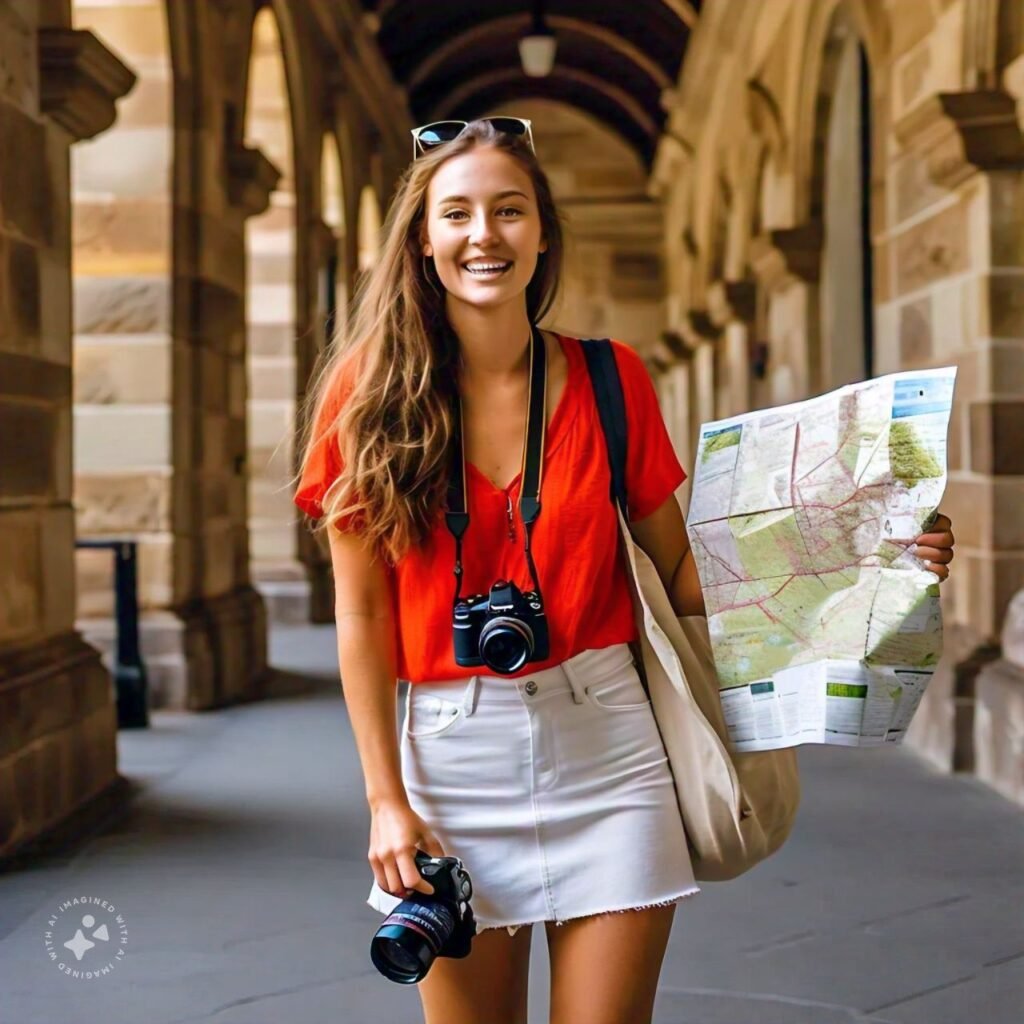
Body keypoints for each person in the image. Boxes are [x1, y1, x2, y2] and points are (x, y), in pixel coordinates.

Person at [293, 118, 957, 1024]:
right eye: (458, 214)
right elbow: (362, 619)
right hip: (451, 762)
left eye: (509, 210)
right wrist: (384, 801)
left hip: (610, 750)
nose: (484, 234)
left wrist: (868, 553)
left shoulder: (612, 380)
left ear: (542, 233)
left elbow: (685, 571)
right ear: (422, 239)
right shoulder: (365, 400)